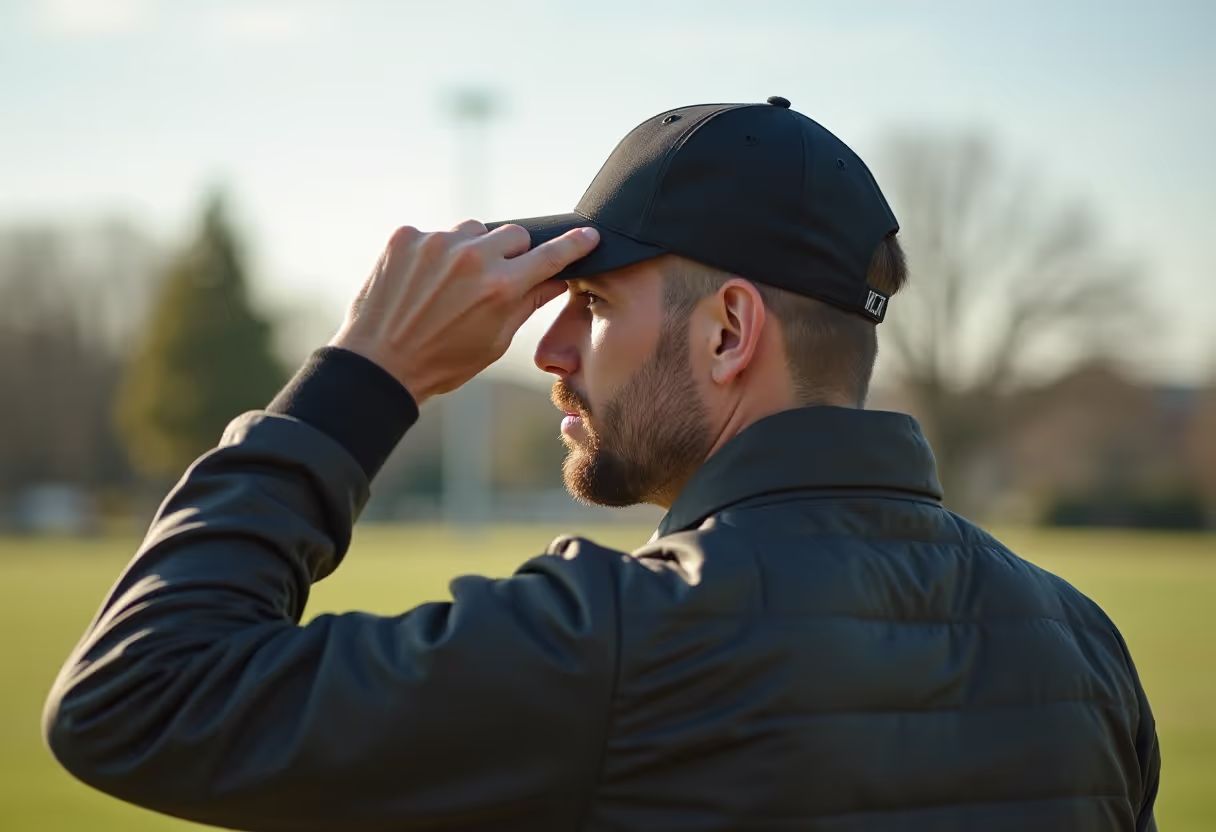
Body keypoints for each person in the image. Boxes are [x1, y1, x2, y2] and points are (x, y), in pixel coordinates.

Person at [44, 97, 1159, 831]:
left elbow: (135, 697)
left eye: (587, 304)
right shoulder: (1079, 640)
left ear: (728, 331)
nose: (549, 352)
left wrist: (360, 378)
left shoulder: (621, 641)